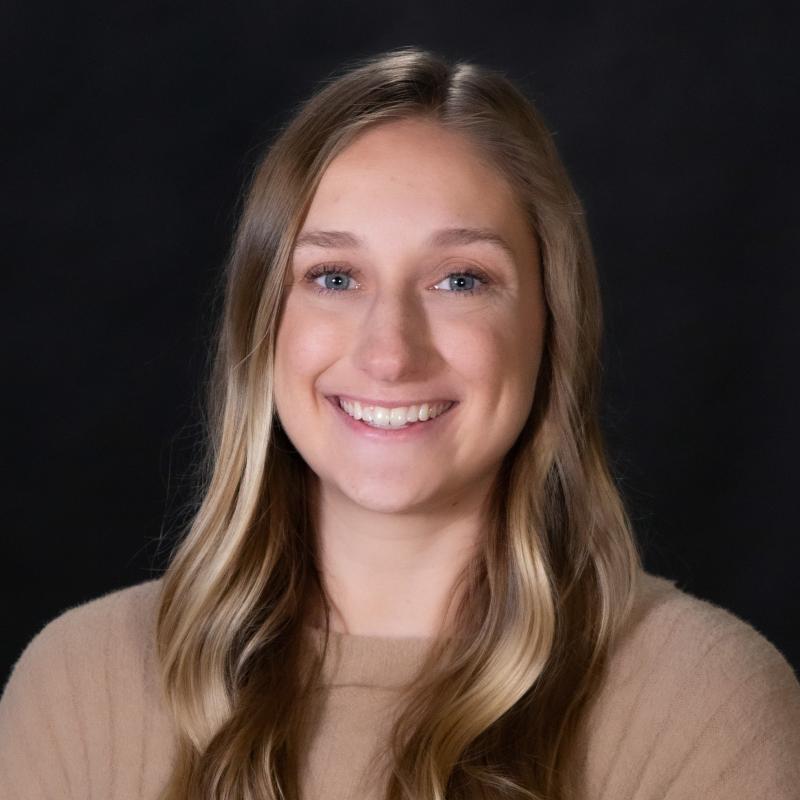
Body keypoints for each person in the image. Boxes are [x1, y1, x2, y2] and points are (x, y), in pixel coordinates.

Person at [1, 46, 799, 800]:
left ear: (552, 326)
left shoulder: (704, 705)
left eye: (460, 279)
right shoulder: (81, 686)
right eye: (335, 275)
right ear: (262, 326)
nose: (389, 353)